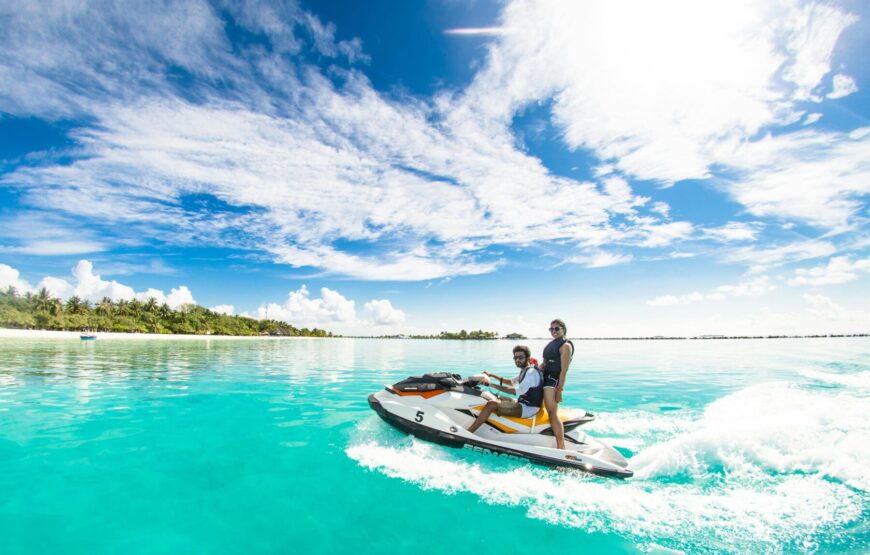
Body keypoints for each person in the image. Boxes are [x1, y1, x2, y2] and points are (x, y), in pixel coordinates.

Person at [466, 345, 543, 433]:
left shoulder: (531, 373)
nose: (517, 360)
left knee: (491, 404)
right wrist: (492, 375)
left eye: (520, 357)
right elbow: (511, 382)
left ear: (528, 358)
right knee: (492, 396)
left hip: (528, 409)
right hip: (522, 402)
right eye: (515, 358)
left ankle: (469, 432)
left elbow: (514, 391)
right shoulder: (525, 370)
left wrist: (491, 384)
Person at [540, 318, 573, 449]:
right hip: (544, 377)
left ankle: (561, 446)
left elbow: (564, 370)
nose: (553, 331)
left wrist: (560, 389)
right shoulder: (552, 344)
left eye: (557, 328)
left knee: (552, 413)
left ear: (563, 329)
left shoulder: (566, 346)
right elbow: (545, 362)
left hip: (553, 381)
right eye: (551, 329)